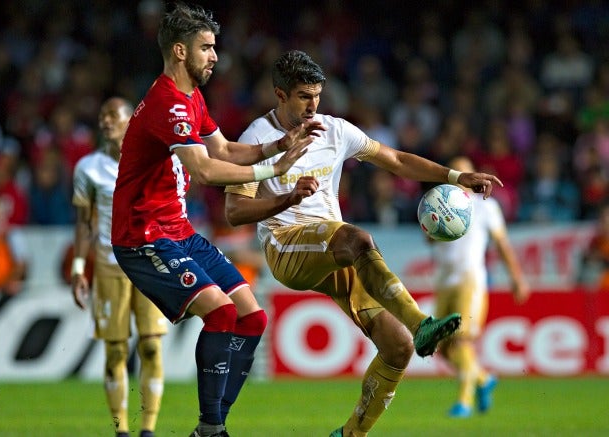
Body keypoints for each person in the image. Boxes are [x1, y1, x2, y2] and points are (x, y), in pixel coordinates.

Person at [223, 50, 503, 437]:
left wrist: (456, 176)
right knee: (355, 238)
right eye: (304, 96)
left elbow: (397, 160)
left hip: (335, 252)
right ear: (280, 94)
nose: (313, 105)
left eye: (317, 95)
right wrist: (288, 199)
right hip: (286, 246)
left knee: (398, 348)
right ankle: (422, 322)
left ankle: (351, 433)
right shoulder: (256, 139)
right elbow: (235, 211)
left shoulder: (335, 130)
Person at [108, 4, 323, 437]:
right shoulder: (168, 104)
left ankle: (212, 426)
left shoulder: (191, 98)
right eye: (206, 47)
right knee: (222, 313)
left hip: (179, 232)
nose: (215, 56)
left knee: (252, 319)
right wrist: (274, 172)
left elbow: (224, 150)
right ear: (179, 50)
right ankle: (211, 428)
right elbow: (205, 171)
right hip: (143, 236)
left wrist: (281, 145)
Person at [71, 96, 168, 437]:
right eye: (102, 115)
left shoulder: (154, 160)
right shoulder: (88, 168)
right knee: (115, 350)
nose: (105, 121)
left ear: (131, 121)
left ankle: (149, 429)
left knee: (151, 345)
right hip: (111, 265)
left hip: (151, 262)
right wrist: (79, 267)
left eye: (113, 115)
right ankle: (121, 430)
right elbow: (84, 223)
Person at [428, 156, 529, 417]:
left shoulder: (485, 206)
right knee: (438, 347)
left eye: (465, 172)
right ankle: (483, 379)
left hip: (470, 281)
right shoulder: (439, 203)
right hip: (444, 281)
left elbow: (502, 244)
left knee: (461, 341)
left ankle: (464, 401)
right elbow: (432, 241)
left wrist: (516, 278)